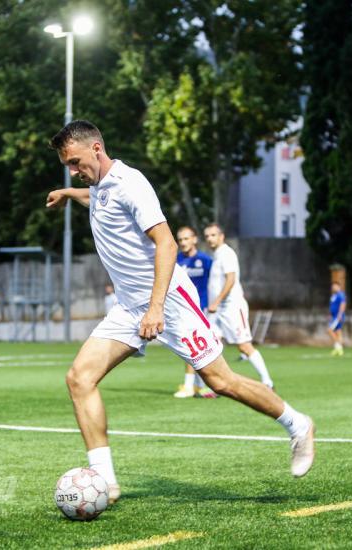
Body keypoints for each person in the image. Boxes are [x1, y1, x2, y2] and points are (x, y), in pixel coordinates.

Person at [45, 121, 315, 504]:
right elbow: (99, 199)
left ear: (98, 149)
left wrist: (156, 309)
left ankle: (298, 424)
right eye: (68, 166)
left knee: (221, 382)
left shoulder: (131, 183)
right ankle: (105, 480)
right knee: (79, 378)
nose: (73, 170)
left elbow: (167, 244)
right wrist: (70, 193)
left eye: (75, 162)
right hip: (128, 306)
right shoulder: (100, 187)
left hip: (169, 301)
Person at [203, 223, 274, 388]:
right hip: (217, 311)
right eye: (207, 236)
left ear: (221, 236)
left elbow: (231, 280)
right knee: (210, 344)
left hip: (232, 308)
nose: (210, 239)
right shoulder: (216, 256)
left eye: (213, 235)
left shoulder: (227, 253)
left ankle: (267, 381)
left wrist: (217, 301)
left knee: (244, 346)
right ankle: (211, 385)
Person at [173, 226, 216, 399]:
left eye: (186, 238)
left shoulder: (206, 260)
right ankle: (200, 385)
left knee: (194, 346)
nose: (183, 242)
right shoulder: (176, 261)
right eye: (180, 239)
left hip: (202, 309)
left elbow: (215, 282)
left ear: (195, 239)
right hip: (182, 309)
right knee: (194, 346)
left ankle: (191, 386)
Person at [328, 282, 346, 356]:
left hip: (337, 316)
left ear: (338, 286)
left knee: (329, 330)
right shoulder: (333, 296)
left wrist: (340, 314)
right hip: (333, 316)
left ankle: (338, 347)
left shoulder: (340, 294)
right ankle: (338, 349)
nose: (333, 288)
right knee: (338, 332)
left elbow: (343, 304)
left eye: (335, 286)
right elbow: (332, 306)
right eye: (332, 286)